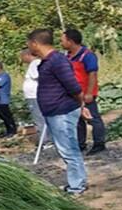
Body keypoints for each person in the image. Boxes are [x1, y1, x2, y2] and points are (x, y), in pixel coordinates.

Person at [27, 28, 89, 196]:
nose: (28, 48)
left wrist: (82, 105)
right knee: (65, 149)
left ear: (35, 43)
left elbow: (73, 86)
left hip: (62, 112)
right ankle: (77, 182)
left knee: (69, 149)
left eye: (29, 44)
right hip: (54, 113)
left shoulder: (57, 61)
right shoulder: (47, 61)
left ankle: (77, 186)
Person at [60, 28, 106, 155]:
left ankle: (99, 143)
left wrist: (89, 93)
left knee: (93, 118)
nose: (61, 43)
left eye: (62, 40)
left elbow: (92, 74)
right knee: (77, 120)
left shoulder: (87, 55)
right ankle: (80, 144)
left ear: (70, 41)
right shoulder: (67, 56)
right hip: (74, 94)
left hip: (86, 93)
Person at [20, 48, 48, 142]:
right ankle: (45, 139)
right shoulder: (35, 64)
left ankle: (45, 141)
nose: (22, 59)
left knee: (38, 118)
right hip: (33, 95)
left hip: (34, 95)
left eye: (22, 57)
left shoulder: (35, 63)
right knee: (39, 117)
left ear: (27, 55)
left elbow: (38, 76)